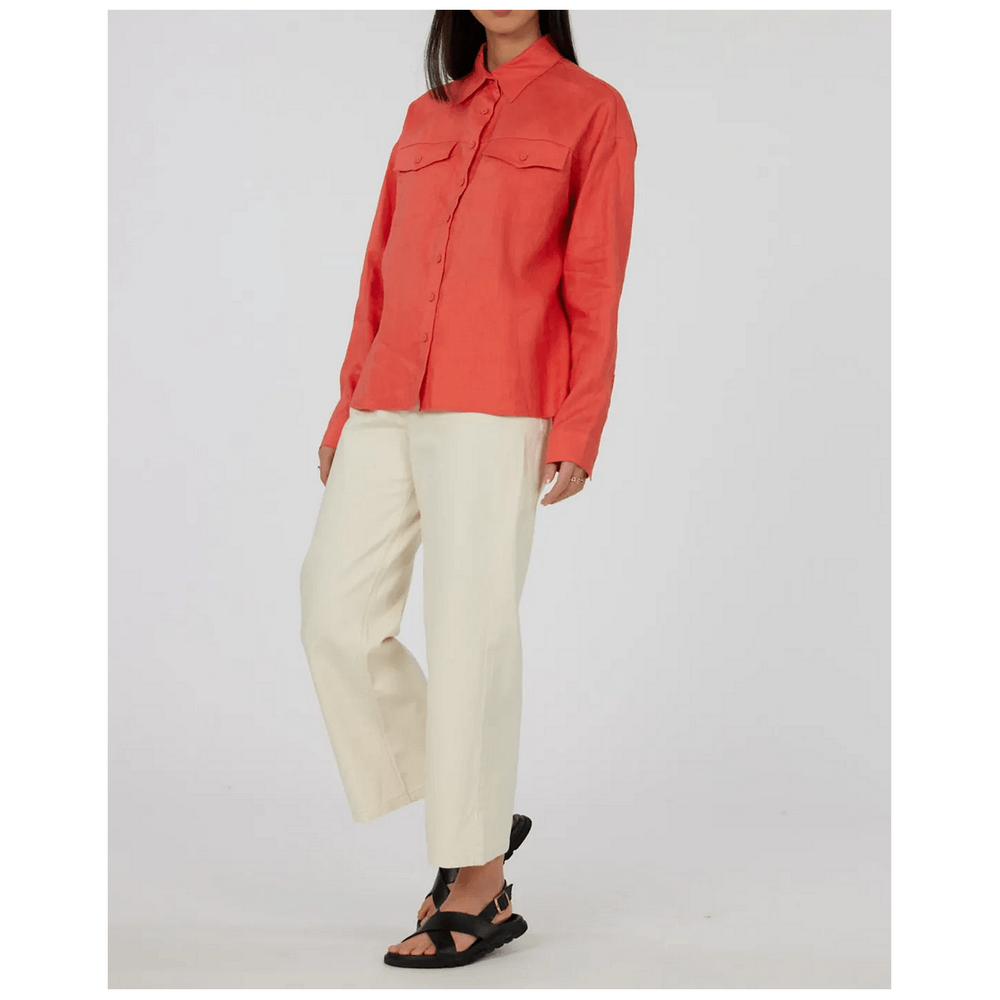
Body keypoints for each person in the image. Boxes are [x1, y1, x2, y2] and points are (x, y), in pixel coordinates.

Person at [299, 9, 637, 968]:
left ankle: (477, 879)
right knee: (332, 615)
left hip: (499, 400)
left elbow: (596, 279)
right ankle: (477, 812)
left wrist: (580, 422)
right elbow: (378, 271)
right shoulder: (427, 115)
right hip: (388, 394)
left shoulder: (592, 110)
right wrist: (346, 406)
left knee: (470, 630)